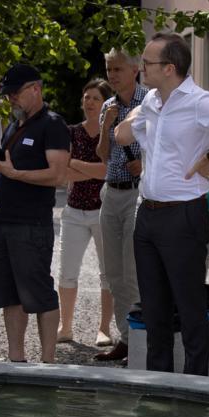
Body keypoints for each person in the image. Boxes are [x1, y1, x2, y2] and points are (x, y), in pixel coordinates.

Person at [113, 33, 209, 374]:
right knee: (154, 310)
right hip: (147, 214)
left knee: (190, 309)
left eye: (147, 63)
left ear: (169, 68)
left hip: (183, 215)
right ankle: (159, 390)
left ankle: (196, 392)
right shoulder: (151, 101)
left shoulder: (199, 102)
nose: (142, 68)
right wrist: (136, 117)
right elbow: (121, 136)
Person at [0, 63, 70, 363]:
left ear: (35, 89)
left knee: (39, 293)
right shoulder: (15, 124)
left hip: (31, 223)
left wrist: (15, 173)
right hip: (2, 222)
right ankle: (16, 359)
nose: (10, 98)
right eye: (7, 93)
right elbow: (4, 171)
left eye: (15, 92)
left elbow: (58, 175)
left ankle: (48, 361)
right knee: (8, 294)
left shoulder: (53, 125)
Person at [94, 49, 147, 364]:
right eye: (108, 69)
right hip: (110, 193)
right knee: (112, 273)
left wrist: (145, 162)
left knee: (132, 271)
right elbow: (101, 154)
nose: (112, 75)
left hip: (138, 194)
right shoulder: (108, 106)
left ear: (134, 69)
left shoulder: (150, 102)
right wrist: (107, 125)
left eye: (117, 69)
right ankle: (126, 340)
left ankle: (143, 341)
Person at [57, 78, 115, 349]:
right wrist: (89, 168)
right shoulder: (70, 133)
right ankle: (65, 326)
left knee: (108, 274)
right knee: (67, 272)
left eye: (96, 98)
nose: (89, 102)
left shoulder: (112, 134)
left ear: (106, 104)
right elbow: (62, 173)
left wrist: (76, 164)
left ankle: (104, 329)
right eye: (86, 97)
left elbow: (107, 171)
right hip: (74, 211)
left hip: (104, 212)